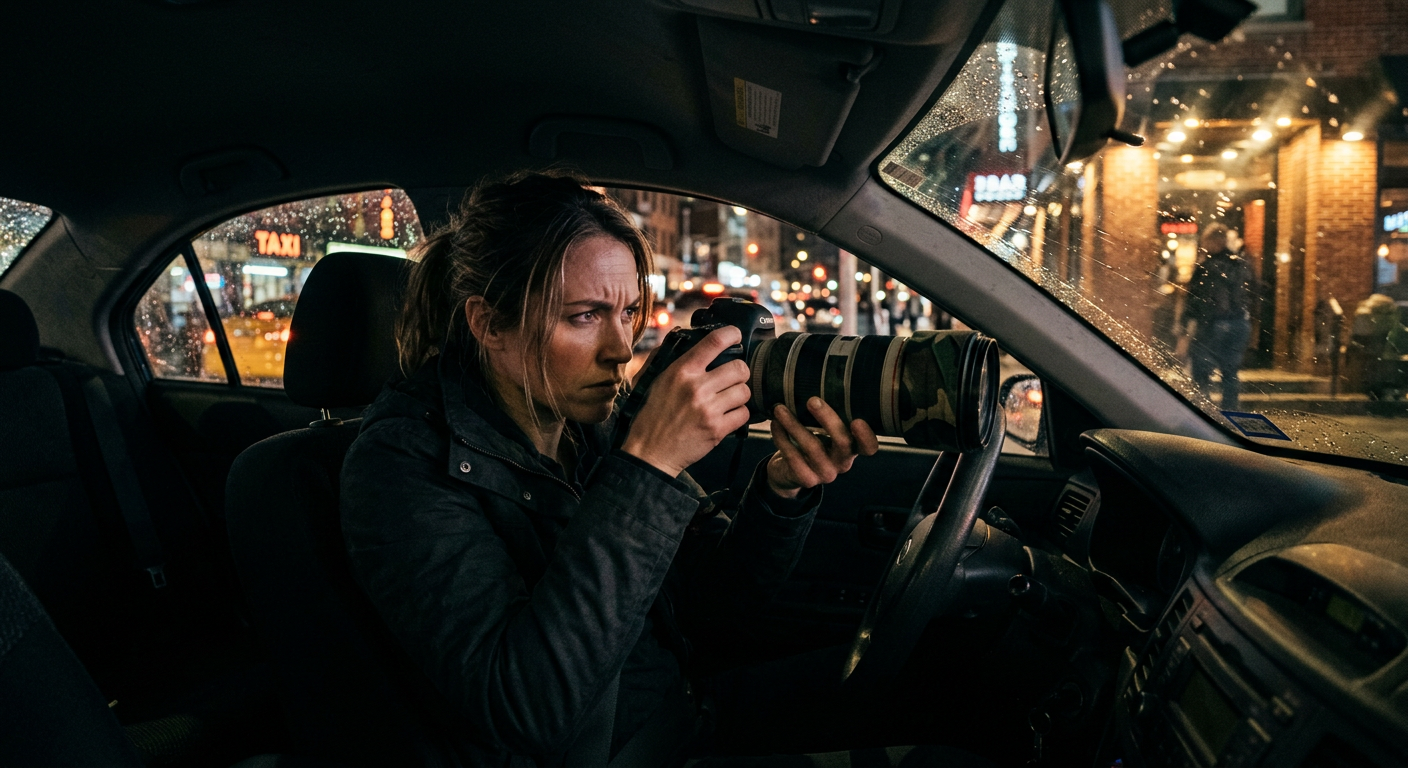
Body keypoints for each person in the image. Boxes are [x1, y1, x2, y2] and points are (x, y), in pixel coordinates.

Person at [339, 172, 880, 766]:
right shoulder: (401, 464)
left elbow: (710, 613)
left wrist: (779, 494)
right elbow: (527, 706)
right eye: (584, 316)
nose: (622, 348)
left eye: (627, 313)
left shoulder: (590, 427)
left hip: (683, 716)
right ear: (489, 323)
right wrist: (648, 465)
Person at [1183, 223, 1258, 410]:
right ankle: (1230, 412)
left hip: (1214, 323)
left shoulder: (1207, 266)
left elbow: (1196, 300)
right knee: (1230, 372)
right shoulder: (1241, 264)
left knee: (1201, 369)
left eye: (1205, 241)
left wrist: (1185, 326)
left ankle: (1203, 411)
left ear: (1212, 241)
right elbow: (1254, 292)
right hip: (1240, 323)